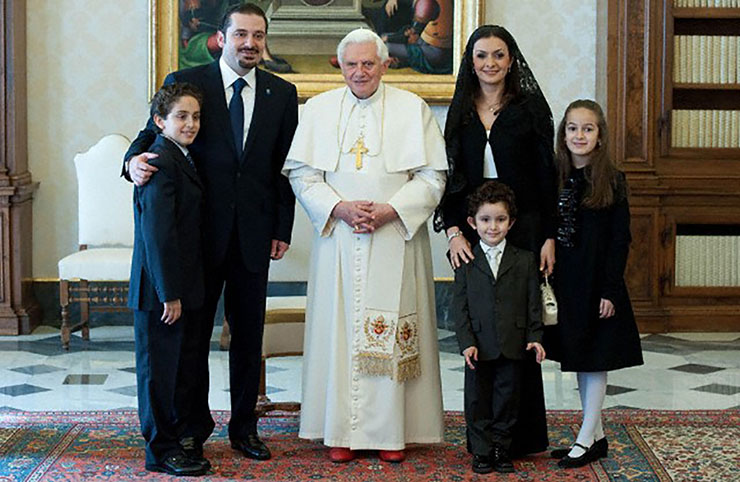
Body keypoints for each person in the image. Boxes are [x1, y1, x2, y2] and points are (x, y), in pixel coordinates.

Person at [123, 2, 298, 463]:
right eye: (241, 34)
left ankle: (244, 429)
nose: (250, 43)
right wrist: (130, 162)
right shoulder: (189, 82)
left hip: (254, 237)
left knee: (247, 339)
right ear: (222, 37)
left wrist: (282, 227)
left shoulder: (282, 93)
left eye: (258, 36)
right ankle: (190, 431)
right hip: (196, 239)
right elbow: (150, 136)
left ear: (266, 40)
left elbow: (284, 170)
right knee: (191, 341)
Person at [283, 28, 447, 464]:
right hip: (339, 239)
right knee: (338, 332)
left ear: (384, 64)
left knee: (394, 332)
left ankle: (393, 434)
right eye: (352, 64)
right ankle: (339, 430)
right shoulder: (318, 110)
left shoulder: (412, 109)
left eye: (368, 63)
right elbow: (302, 175)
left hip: (395, 236)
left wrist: (392, 210)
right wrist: (338, 208)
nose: (360, 72)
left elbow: (433, 178)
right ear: (340, 66)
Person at [434, 24, 556, 456]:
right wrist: (452, 231)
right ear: (471, 61)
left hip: (520, 230)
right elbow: (449, 178)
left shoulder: (528, 110)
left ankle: (518, 438)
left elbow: (546, 180)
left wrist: (547, 236)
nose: (490, 64)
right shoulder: (461, 110)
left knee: (516, 330)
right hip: (472, 230)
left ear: (511, 60)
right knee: (480, 332)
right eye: (482, 55)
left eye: (498, 55)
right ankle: (483, 440)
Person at [545, 99, 643, 469]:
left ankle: (585, 438)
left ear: (600, 136)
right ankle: (596, 434)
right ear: (563, 134)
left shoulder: (612, 180)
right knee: (578, 355)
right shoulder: (554, 174)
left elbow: (621, 240)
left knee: (594, 357)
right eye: (572, 128)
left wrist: (610, 290)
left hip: (597, 282)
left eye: (588, 129)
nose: (579, 135)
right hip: (566, 281)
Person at [128, 83, 208, 476]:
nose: (190, 123)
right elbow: (158, 234)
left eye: (195, 116)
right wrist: (169, 294)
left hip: (178, 284)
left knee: (177, 370)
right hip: (159, 290)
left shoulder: (181, 156)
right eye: (181, 116)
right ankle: (160, 451)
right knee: (159, 374)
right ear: (159, 121)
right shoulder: (158, 160)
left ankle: (175, 443)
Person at [451, 181, 546, 475]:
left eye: (500, 219)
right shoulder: (464, 260)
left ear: (511, 222)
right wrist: (466, 341)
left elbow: (533, 302)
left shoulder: (525, 259)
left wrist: (535, 337)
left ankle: (501, 448)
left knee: (508, 399)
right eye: (485, 219)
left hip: (513, 342)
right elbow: (460, 307)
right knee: (477, 401)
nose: (493, 227)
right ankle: (480, 451)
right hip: (478, 345)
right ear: (472, 223)